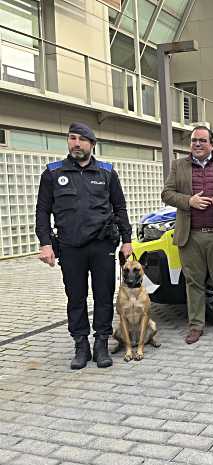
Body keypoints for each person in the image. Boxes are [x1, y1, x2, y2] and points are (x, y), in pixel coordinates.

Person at [35, 122, 132, 370]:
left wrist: (127, 240)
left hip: (102, 245)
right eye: (72, 138)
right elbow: (42, 212)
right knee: (75, 297)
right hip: (70, 246)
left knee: (103, 296)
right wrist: (46, 244)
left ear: (92, 144)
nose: (76, 143)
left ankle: (101, 342)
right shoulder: (53, 173)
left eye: (81, 139)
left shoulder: (107, 173)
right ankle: (81, 344)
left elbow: (119, 208)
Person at [162, 126, 213, 344]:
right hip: (191, 236)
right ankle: (196, 326)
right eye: (193, 140)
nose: (197, 144)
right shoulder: (178, 165)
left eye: (202, 140)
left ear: (212, 143)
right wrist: (188, 201)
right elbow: (167, 194)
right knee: (194, 283)